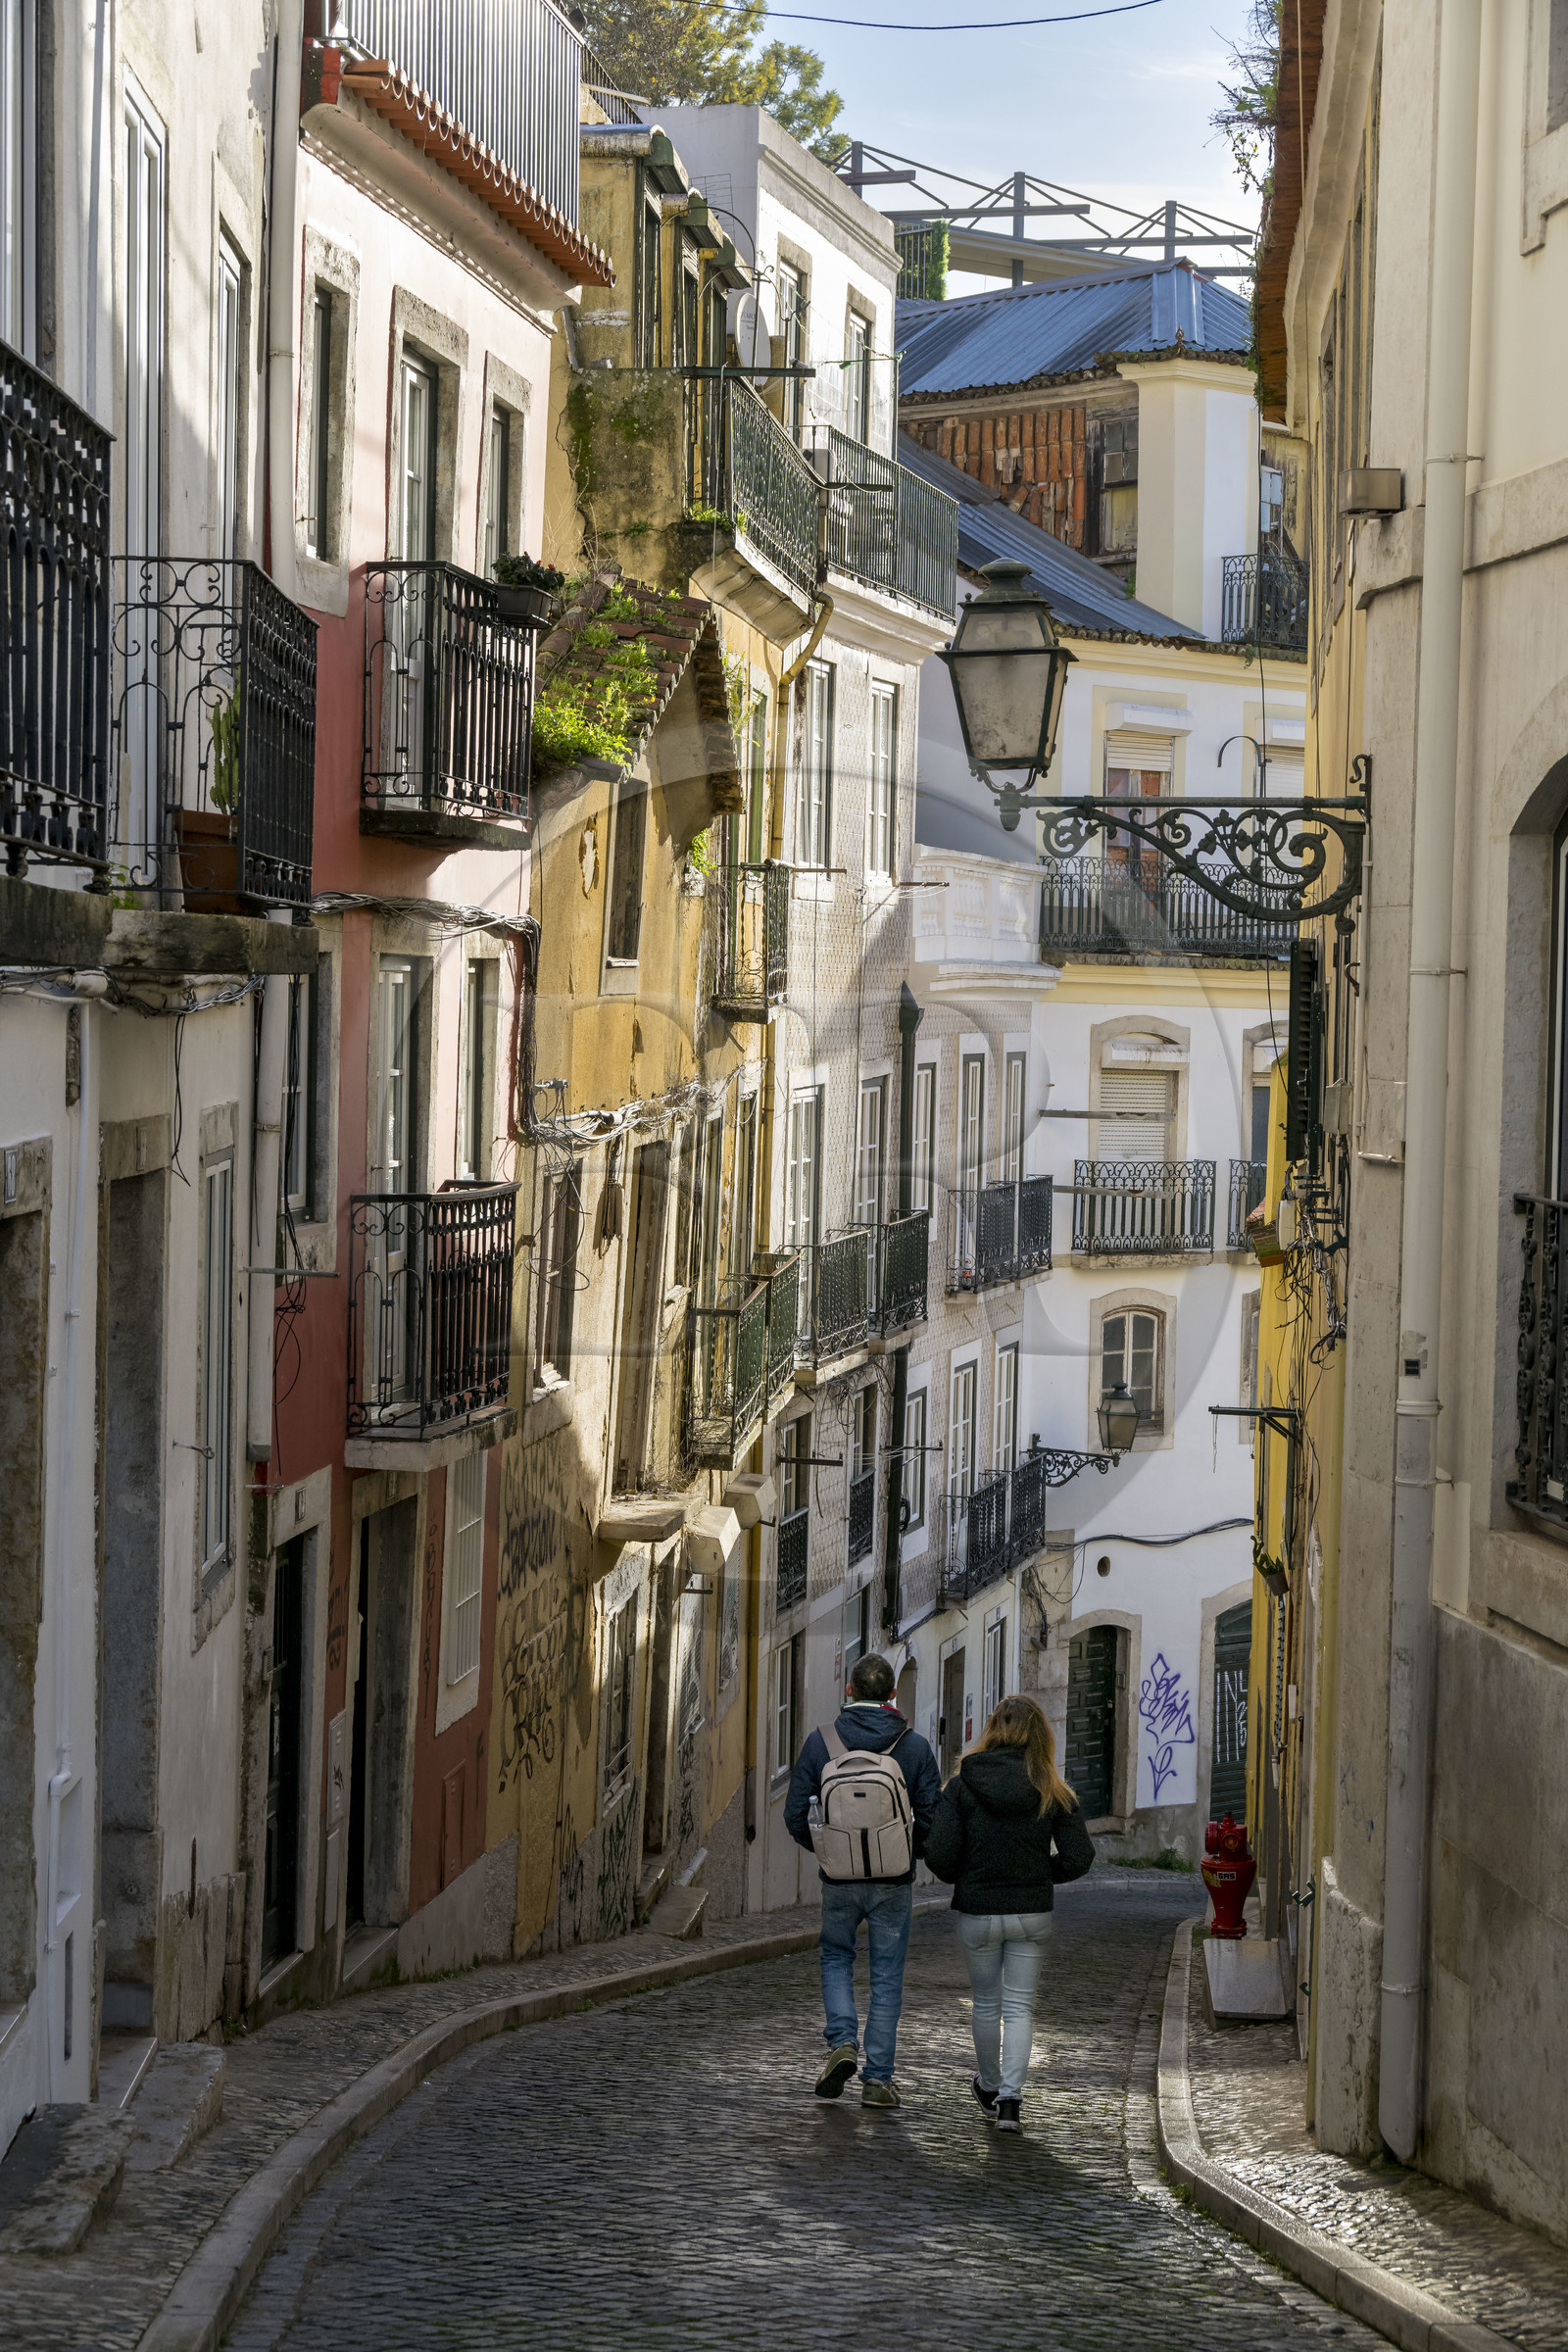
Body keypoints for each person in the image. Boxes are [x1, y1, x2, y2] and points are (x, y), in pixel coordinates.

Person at [923, 1691, 1094, 2132]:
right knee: (1020, 2008)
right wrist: (1039, 1874)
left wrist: (970, 1875)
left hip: (978, 1910)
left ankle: (991, 2084)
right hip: (1031, 1910)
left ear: (994, 1729)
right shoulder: (1051, 1787)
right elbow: (1079, 1857)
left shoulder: (962, 1784)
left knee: (986, 2004)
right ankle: (1011, 2104)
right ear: (1040, 1735)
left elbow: (938, 1854)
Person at [784, 1651, 942, 2110]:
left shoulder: (821, 1743)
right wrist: (906, 1853)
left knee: (836, 1956)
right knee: (887, 1976)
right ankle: (878, 2080)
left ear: (848, 1691)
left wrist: (831, 1851)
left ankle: (841, 2042)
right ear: (893, 1695)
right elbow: (932, 1818)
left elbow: (796, 1815)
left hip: (839, 1879)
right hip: (894, 1879)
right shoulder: (912, 1746)